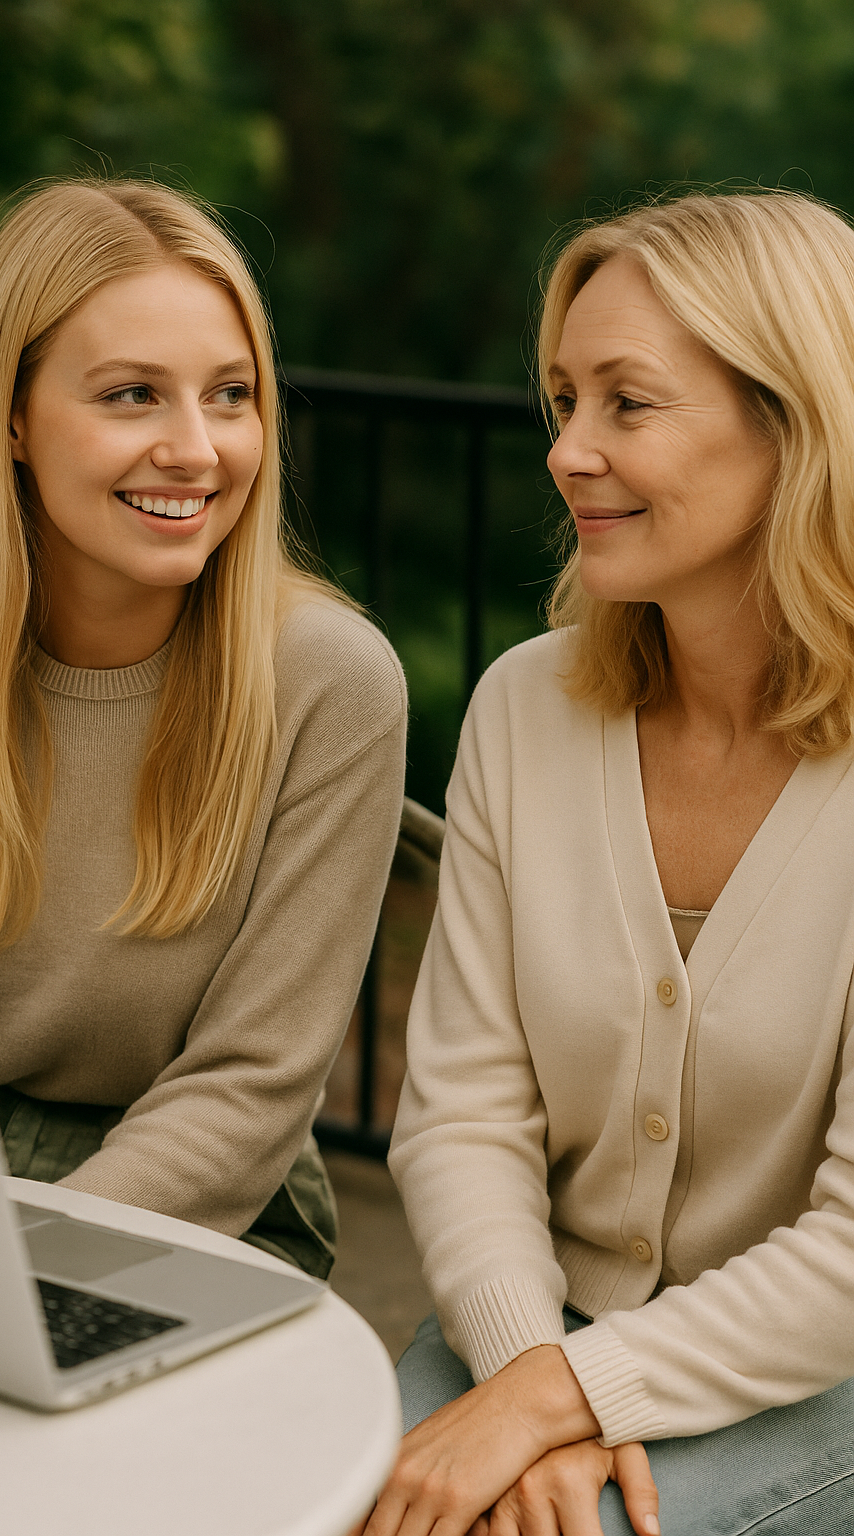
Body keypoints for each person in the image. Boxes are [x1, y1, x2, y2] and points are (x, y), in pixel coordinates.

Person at [360, 190, 854, 1535]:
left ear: (792, 422)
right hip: (533, 1323)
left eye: (626, 405)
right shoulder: (526, 709)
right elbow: (463, 1115)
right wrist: (533, 1380)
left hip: (821, 1377)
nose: (568, 450)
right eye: (562, 400)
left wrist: (558, 1400)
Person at [0, 178, 406, 1281]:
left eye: (230, 394)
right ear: (11, 413)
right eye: (133, 394)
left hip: (204, 1195)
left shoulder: (334, 684)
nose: (195, 449)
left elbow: (249, 1088)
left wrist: (2, 1271)